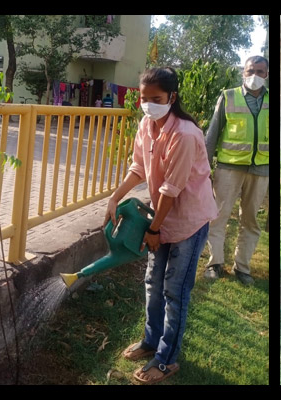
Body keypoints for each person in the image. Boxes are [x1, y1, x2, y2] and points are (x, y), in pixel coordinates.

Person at [106, 67, 217, 384]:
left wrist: (154, 229)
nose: (149, 104)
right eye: (144, 98)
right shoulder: (146, 124)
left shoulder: (184, 134)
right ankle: (151, 341)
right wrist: (115, 197)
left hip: (187, 221)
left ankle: (167, 359)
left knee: (175, 291)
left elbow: (172, 188)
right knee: (153, 285)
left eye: (156, 99)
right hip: (162, 217)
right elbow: (138, 167)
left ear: (172, 98)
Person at [204, 55, 269, 286]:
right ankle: (215, 263)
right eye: (250, 71)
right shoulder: (228, 97)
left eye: (260, 72)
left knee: (250, 221)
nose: (255, 76)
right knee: (219, 216)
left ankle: (242, 267)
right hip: (229, 168)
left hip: (261, 169)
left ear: (267, 75)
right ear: (243, 72)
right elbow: (212, 134)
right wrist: (203, 167)